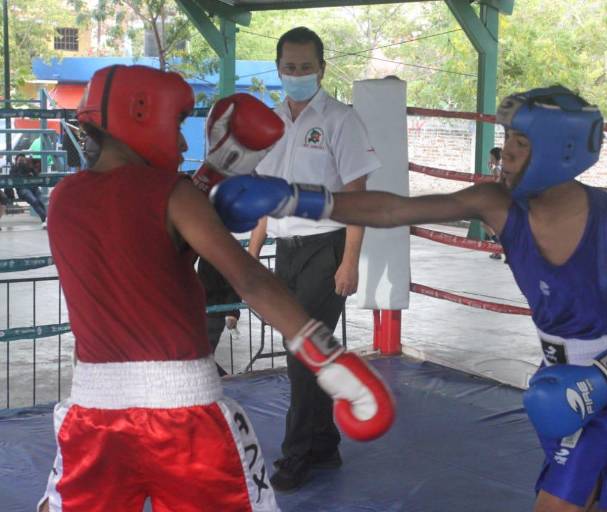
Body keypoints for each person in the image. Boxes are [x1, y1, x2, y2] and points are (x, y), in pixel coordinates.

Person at [212, 85, 607, 511]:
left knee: (558, 500)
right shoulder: (496, 203)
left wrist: (603, 378)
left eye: (519, 145)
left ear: (560, 151)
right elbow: (398, 209)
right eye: (507, 141)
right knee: (586, 497)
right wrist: (295, 199)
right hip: (553, 380)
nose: (505, 156)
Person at [37, 64, 394, 512]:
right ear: (142, 113)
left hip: (94, 411)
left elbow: (143, 243)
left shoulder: (63, 199)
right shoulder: (174, 194)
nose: (183, 142)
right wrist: (330, 357)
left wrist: (213, 175)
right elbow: (250, 278)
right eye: (177, 125)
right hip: (184, 412)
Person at [245, 26, 382, 493]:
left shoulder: (342, 120)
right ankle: (324, 444)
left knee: (302, 352)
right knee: (308, 349)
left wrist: (350, 262)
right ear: (278, 67)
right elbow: (265, 193)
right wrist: (252, 250)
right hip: (286, 249)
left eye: (306, 67)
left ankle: (296, 454)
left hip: (327, 246)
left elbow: (358, 195)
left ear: (322, 68)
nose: (297, 74)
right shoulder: (268, 122)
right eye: (290, 67)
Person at [197, 256, 241, 376]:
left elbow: (232, 284)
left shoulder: (213, 254)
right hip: (200, 311)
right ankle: (226, 380)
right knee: (200, 358)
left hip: (212, 313)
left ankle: (226, 380)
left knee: (201, 358)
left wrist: (231, 312)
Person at [10, 154, 47, 224]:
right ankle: (46, 219)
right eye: (20, 160)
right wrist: (18, 167)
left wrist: (31, 167)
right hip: (23, 189)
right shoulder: (14, 168)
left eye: (23, 160)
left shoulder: (28, 166)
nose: (22, 162)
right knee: (34, 201)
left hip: (33, 188)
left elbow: (36, 175)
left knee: (40, 200)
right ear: (16, 161)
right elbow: (13, 178)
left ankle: (45, 219)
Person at [486, 146, 504, 260]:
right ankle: (498, 250)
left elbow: (495, 184)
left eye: (491, 156)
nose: (489, 158)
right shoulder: (502, 167)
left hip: (497, 201)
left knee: (486, 224)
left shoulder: (497, 169)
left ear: (494, 156)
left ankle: (499, 248)